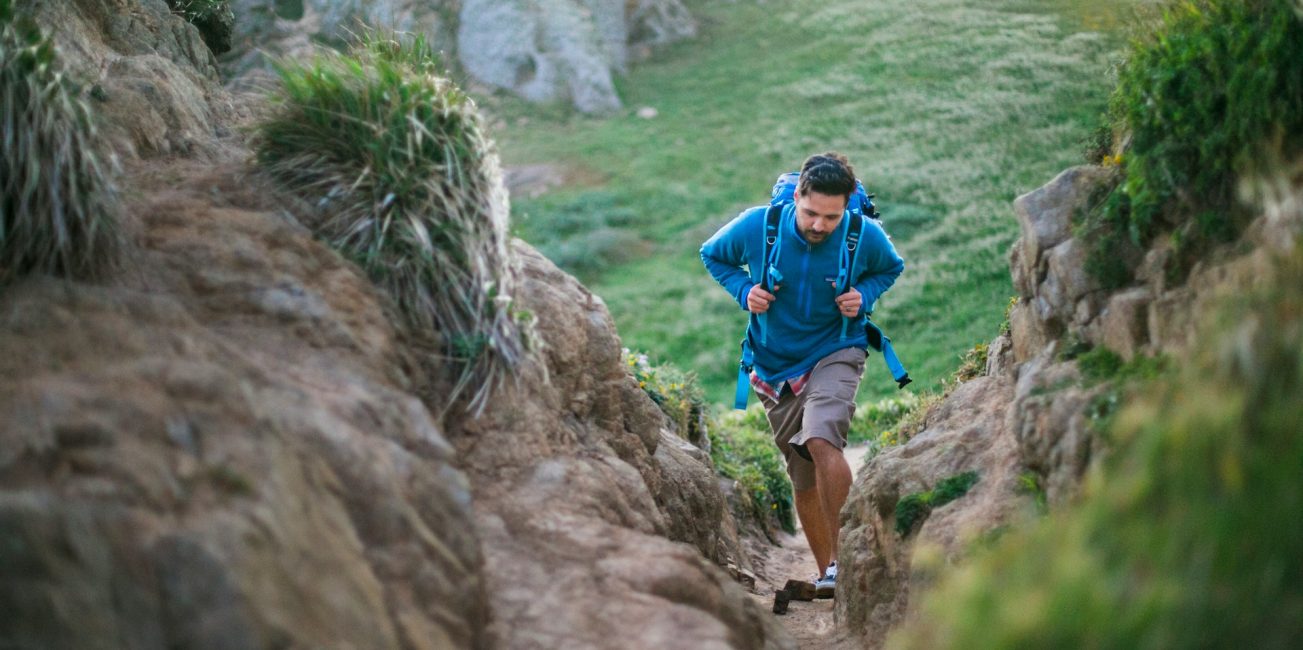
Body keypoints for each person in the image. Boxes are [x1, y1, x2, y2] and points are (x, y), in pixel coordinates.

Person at [700, 152, 904, 598]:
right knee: (803, 476)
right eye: (811, 213)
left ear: (846, 207)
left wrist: (863, 295)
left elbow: (891, 266)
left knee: (821, 437)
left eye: (831, 217)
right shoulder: (760, 225)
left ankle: (855, 556)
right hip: (775, 365)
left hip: (837, 348)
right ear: (796, 197)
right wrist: (743, 290)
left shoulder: (860, 232)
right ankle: (829, 568)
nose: (819, 225)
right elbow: (712, 254)